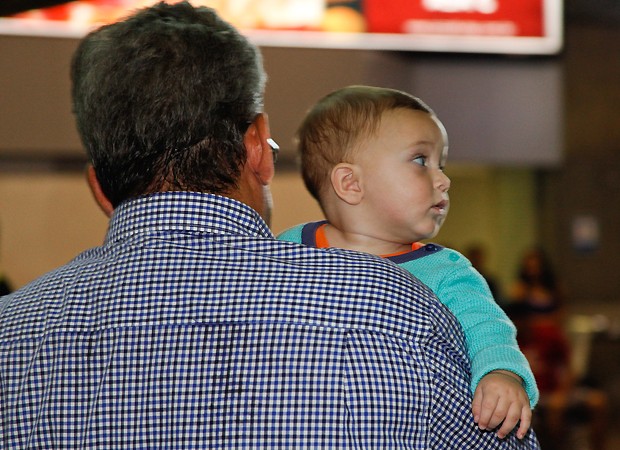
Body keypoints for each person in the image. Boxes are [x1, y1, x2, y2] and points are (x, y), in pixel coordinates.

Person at [0, 3, 539, 448]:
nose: (442, 182)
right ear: (257, 148)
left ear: (99, 185)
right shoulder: (396, 313)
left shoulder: (10, 333)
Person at [278, 85, 538, 439]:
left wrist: (502, 373)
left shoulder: (447, 271)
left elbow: (487, 328)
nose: (444, 180)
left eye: (441, 164)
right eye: (421, 161)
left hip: (396, 425)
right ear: (350, 183)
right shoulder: (289, 249)